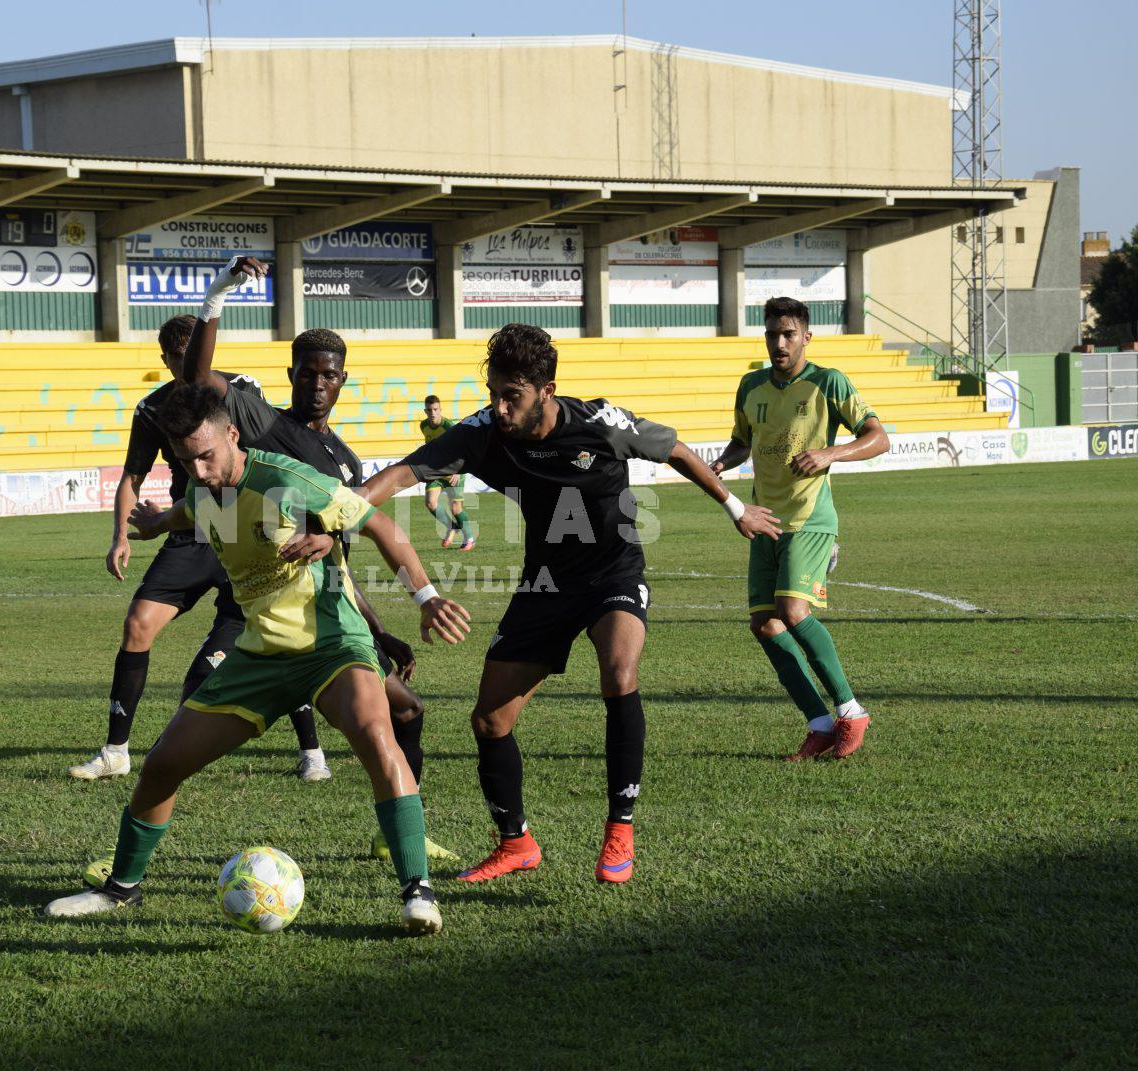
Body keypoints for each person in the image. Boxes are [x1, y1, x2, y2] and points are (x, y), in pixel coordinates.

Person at [361, 323, 780, 884]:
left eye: (513, 396)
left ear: (547, 390)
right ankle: (516, 844)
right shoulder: (483, 433)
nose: (501, 407)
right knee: (489, 720)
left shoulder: (600, 423)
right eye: (494, 393)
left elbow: (675, 450)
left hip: (614, 571)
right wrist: (341, 509)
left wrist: (735, 508)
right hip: (547, 583)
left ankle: (620, 828)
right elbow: (403, 473)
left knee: (619, 670)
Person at [44, 385, 472, 934]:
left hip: (332, 646)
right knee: (162, 766)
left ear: (232, 434)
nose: (198, 469)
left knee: (374, 732)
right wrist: (154, 525)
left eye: (206, 454)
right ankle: (120, 889)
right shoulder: (204, 492)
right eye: (185, 459)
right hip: (258, 655)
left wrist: (427, 598)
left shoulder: (288, 481)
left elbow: (380, 525)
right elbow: (188, 511)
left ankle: (418, 893)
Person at [169, 258, 457, 861]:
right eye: (307, 374)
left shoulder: (344, 459)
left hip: (334, 611)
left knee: (408, 713)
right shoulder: (268, 426)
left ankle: (397, 832)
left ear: (342, 379)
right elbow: (198, 383)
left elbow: (340, 556)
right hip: (280, 613)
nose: (317, 384)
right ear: (292, 374)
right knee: (380, 724)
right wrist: (218, 295)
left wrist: (380, 630)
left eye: (327, 375)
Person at [69, 314, 330, 782]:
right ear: (166, 360)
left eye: (191, 356)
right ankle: (116, 751)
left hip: (248, 530)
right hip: (190, 532)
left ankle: (312, 751)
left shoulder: (237, 390)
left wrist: (306, 520)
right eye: (175, 359)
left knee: (278, 632)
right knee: (137, 625)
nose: (184, 367)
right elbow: (133, 477)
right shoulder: (152, 409)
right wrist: (120, 536)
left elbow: (277, 449)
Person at [704, 295, 890, 761]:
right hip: (765, 521)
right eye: (772, 334)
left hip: (810, 519)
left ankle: (852, 710)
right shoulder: (751, 387)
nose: (779, 343)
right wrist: (723, 463)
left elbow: (878, 437)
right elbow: (743, 441)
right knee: (765, 625)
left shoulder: (828, 382)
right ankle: (820, 724)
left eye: (788, 334)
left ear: (807, 336)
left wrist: (830, 453)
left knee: (792, 609)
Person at [419, 395, 475, 551]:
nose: (433, 413)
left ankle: (469, 538)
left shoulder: (448, 426)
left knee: (456, 508)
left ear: (440, 409)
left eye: (435, 409)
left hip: (453, 471)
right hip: (436, 471)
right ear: (425, 411)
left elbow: (460, 448)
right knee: (430, 503)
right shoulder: (423, 426)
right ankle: (451, 527)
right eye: (429, 410)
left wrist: (458, 471)